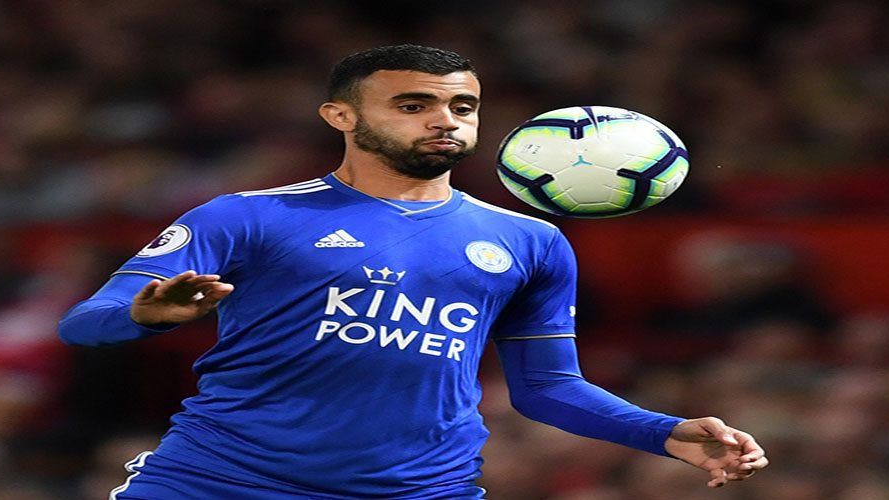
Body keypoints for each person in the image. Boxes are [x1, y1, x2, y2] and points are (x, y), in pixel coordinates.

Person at [58, 44, 768, 499]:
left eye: (463, 106)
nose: (445, 120)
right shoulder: (248, 215)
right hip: (221, 482)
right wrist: (142, 314)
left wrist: (661, 432)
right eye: (413, 105)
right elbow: (83, 324)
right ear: (340, 116)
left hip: (421, 491)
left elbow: (547, 388)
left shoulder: (532, 241)